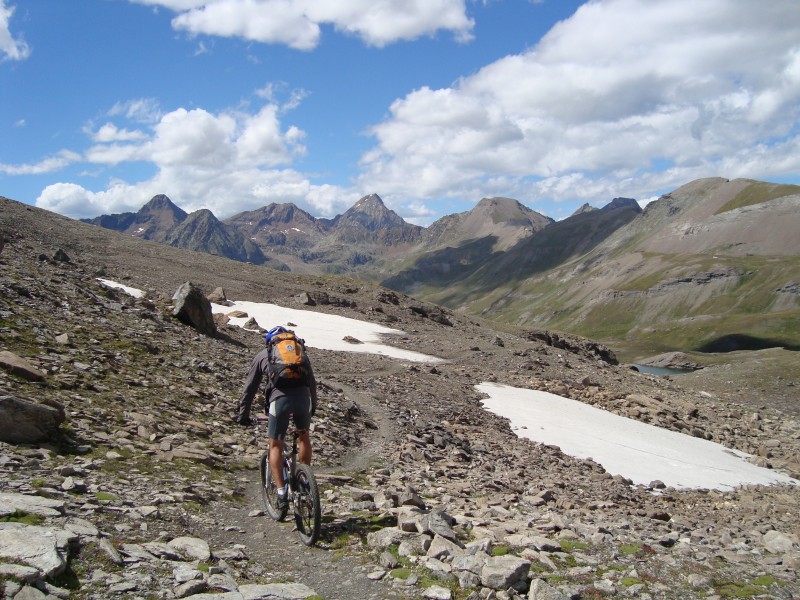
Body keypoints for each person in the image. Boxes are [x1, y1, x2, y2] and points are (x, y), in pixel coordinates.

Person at [235, 326, 318, 507]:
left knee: (275, 446)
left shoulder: (262, 356)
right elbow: (312, 382)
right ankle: (305, 480)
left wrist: (243, 415)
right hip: (304, 401)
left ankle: (281, 494)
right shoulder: (300, 354)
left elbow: (250, 388)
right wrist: (313, 407)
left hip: (279, 402)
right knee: (303, 437)